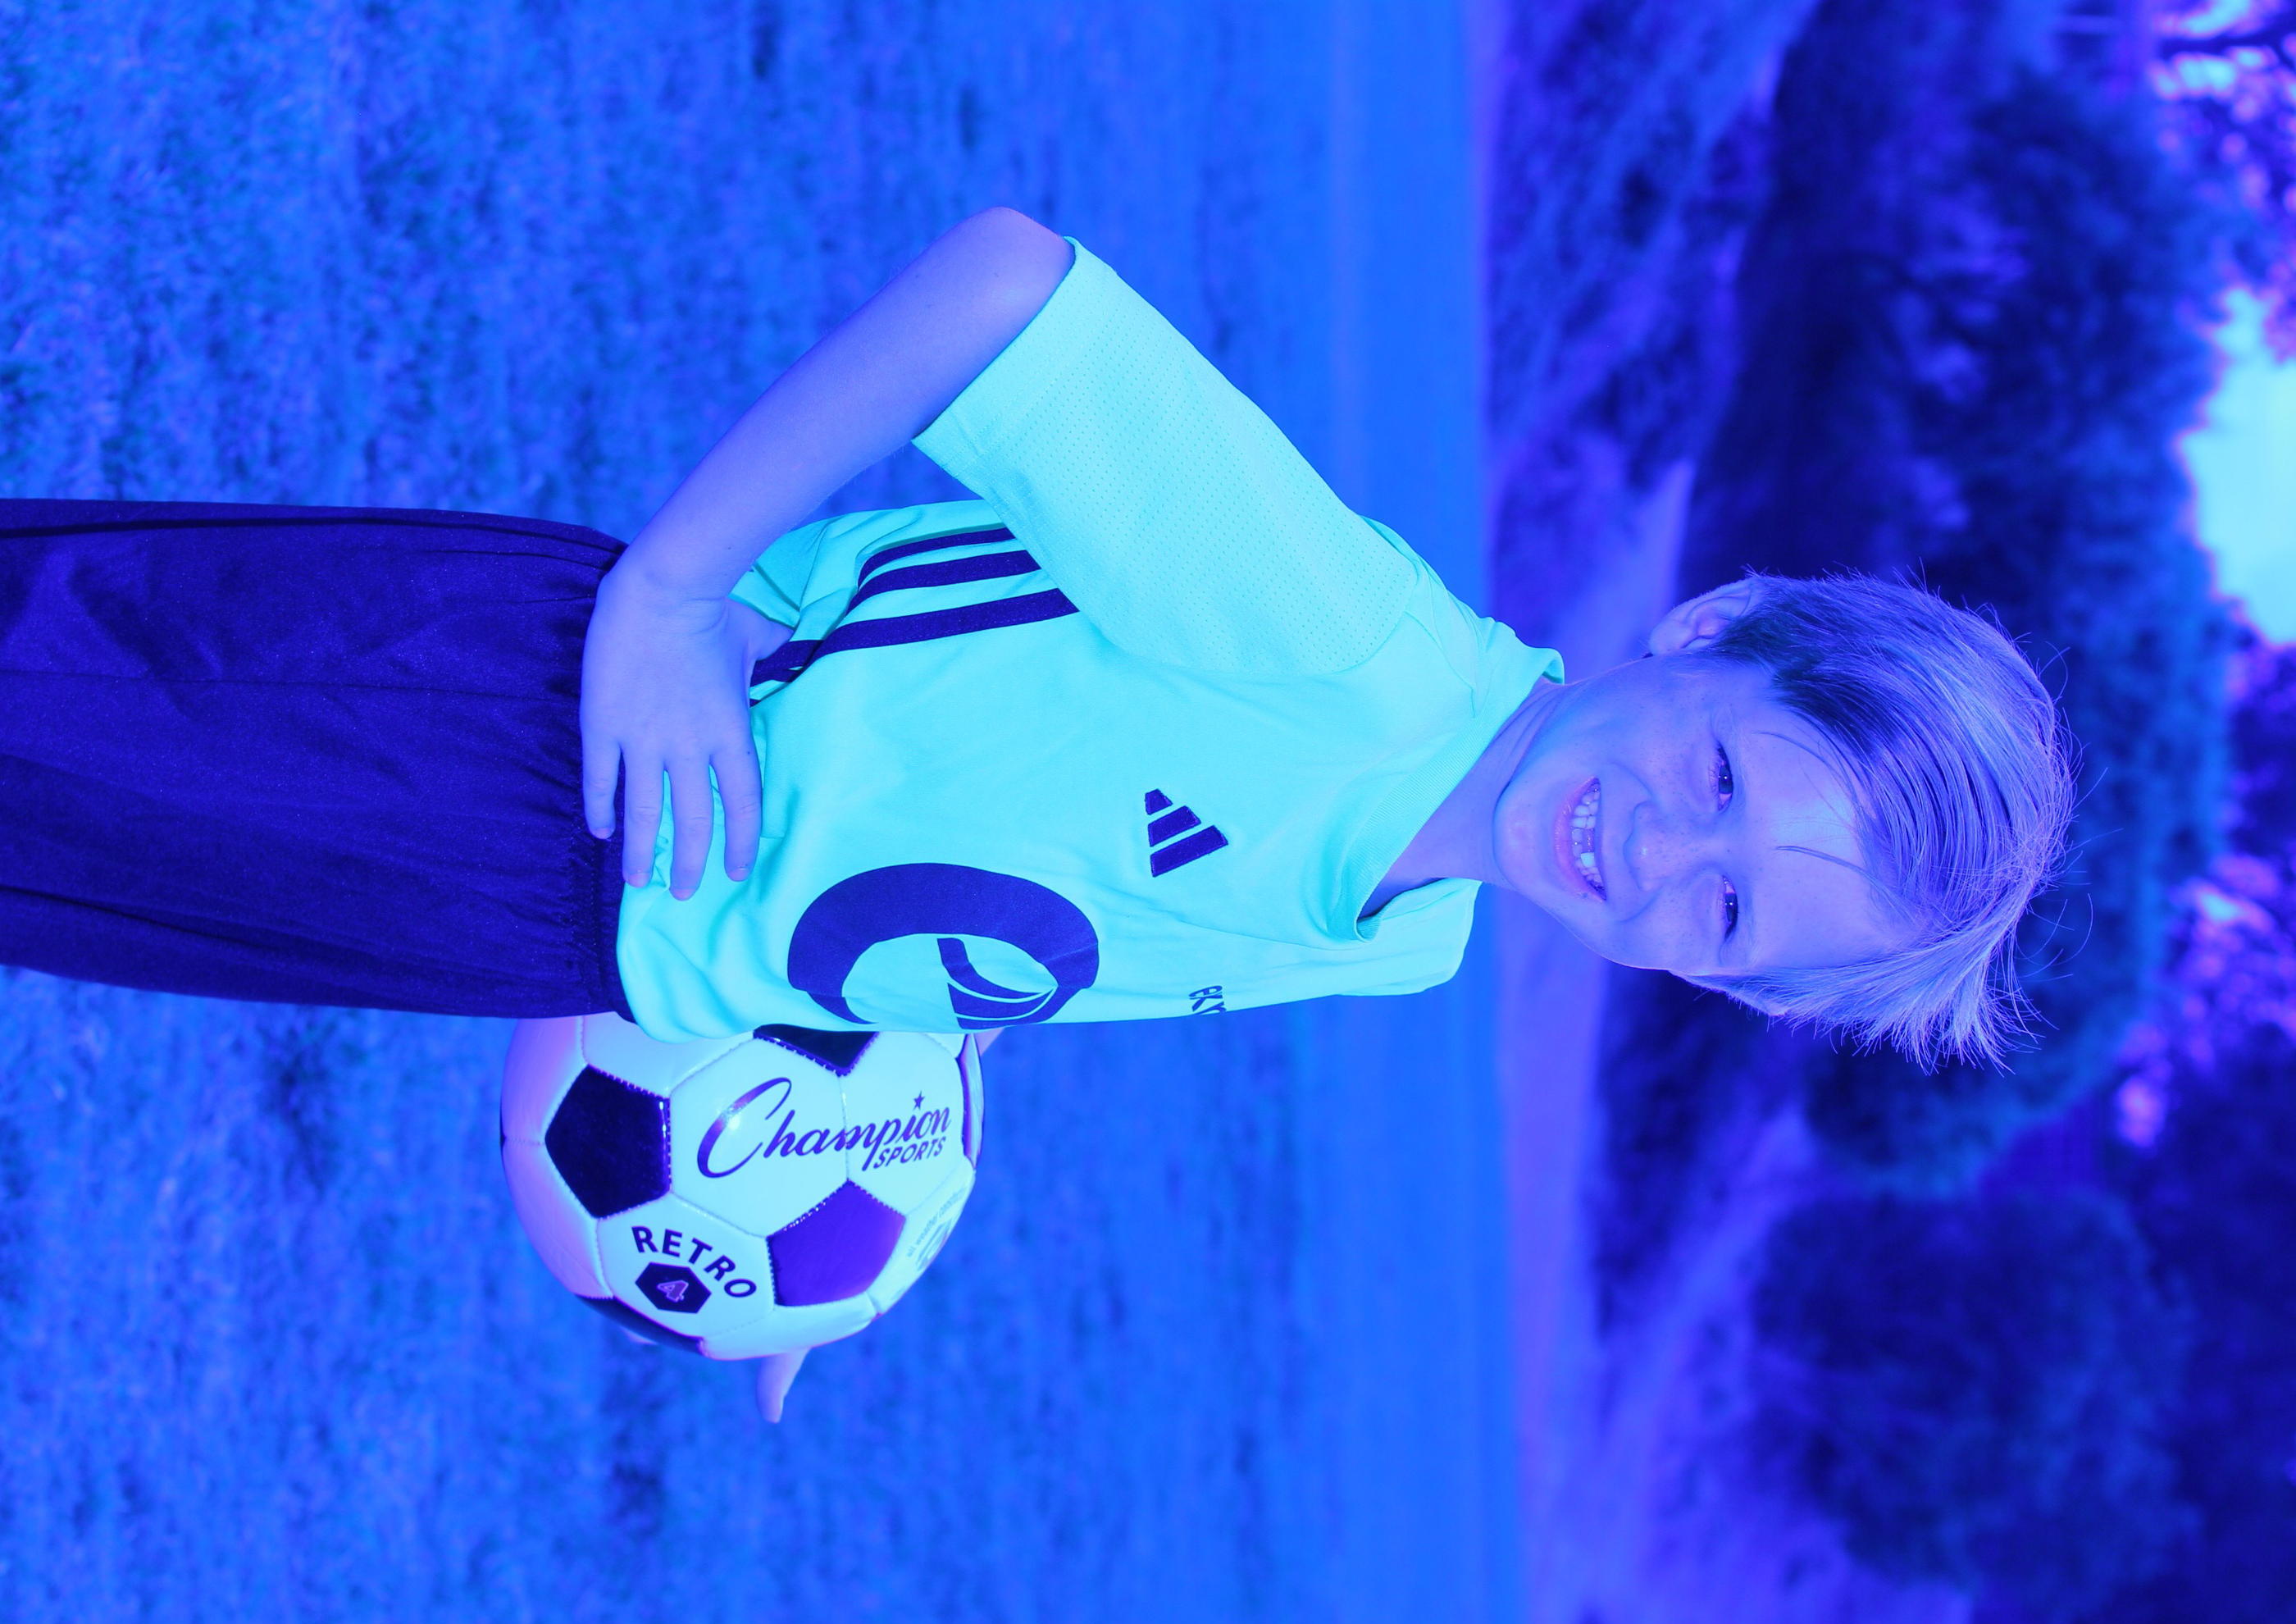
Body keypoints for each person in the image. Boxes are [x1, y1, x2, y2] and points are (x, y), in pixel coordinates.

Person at [0, 207, 2070, 1071]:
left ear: (1722, 984)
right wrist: (674, 593)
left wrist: (799, 1200)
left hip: (521, 928)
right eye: (1716, 774)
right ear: (1710, 629)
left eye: (1725, 911)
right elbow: (1009, 287)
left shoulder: (1404, 941)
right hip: (498, 730)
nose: (1658, 852)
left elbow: (998, 887)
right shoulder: (1343, 651)